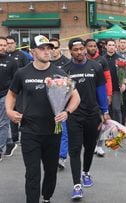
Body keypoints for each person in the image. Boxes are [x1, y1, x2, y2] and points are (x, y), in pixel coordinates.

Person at [5, 35, 80, 203]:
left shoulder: (58, 73)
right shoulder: (22, 73)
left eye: (49, 48)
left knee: (51, 170)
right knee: (32, 173)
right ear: (32, 51)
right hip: (29, 130)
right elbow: (11, 94)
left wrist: (67, 112)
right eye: (42, 48)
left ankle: (47, 197)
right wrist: (9, 110)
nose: (47, 51)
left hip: (52, 132)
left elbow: (76, 97)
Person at [63, 38, 110, 200]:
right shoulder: (65, 69)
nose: (79, 52)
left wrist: (105, 111)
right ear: (70, 52)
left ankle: (86, 172)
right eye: (75, 50)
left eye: (81, 49)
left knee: (89, 147)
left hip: (92, 114)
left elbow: (101, 90)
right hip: (74, 116)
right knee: (75, 149)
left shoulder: (95, 67)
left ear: (85, 49)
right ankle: (77, 185)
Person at [85, 38, 113, 157]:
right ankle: (90, 144)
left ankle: (100, 146)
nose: (92, 48)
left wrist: (109, 94)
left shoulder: (102, 60)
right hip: (88, 95)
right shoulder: (82, 60)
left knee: (104, 119)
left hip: (101, 94)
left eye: (94, 46)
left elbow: (107, 78)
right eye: (90, 46)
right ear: (86, 47)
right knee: (91, 122)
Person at [49, 38, 72, 169]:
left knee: (63, 131)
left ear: (59, 48)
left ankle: (62, 157)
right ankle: (50, 155)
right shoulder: (44, 63)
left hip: (63, 102)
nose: (53, 50)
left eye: (55, 47)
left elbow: (71, 83)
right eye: (50, 48)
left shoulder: (66, 63)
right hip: (48, 103)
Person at [7, 36, 31, 144]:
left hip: (21, 90)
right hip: (8, 90)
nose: (9, 45)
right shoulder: (4, 56)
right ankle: (14, 137)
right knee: (11, 112)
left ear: (15, 44)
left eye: (11, 43)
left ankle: (25, 133)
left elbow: (28, 70)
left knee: (21, 111)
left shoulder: (21, 55)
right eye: (7, 43)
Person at [0, 36, 18, 162]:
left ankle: (0, 149)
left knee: (3, 123)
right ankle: (9, 141)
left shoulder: (12, 61)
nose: (2, 47)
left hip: (5, 95)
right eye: (0, 45)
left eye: (4, 45)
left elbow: (15, 81)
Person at [104, 39, 126, 125]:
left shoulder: (120, 59)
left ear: (115, 47)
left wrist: (124, 83)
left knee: (116, 109)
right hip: (105, 89)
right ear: (106, 46)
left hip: (116, 89)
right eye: (109, 45)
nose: (111, 47)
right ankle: (107, 130)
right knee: (106, 110)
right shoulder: (102, 59)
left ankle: (119, 129)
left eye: (113, 45)